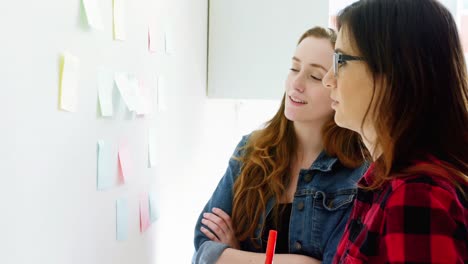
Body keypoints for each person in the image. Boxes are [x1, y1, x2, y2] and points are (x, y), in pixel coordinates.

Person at [192, 27, 369, 264]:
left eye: (315, 76)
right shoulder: (250, 150)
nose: (296, 83)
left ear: (337, 88)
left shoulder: (358, 173)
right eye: (294, 68)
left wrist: (234, 256)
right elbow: (203, 250)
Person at [321, 0, 468, 263]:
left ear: (393, 71)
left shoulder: (418, 195)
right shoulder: (384, 179)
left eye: (340, 60)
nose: (327, 79)